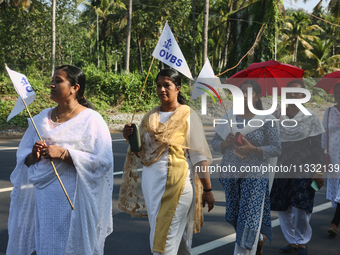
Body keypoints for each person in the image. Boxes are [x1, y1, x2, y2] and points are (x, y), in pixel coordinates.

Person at [6, 65, 114, 255]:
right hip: (45, 198)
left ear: (75, 88)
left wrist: (64, 154)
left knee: (72, 246)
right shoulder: (40, 119)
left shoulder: (92, 120)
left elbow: (102, 161)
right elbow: (25, 159)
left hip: (74, 199)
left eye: (58, 81)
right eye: (52, 80)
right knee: (47, 243)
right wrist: (34, 154)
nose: (52, 85)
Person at [119, 68, 215, 255]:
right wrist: (129, 136)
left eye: (167, 85)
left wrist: (208, 190)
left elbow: (198, 157)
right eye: (158, 86)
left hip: (177, 185)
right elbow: (142, 153)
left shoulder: (188, 115)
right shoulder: (150, 117)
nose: (162, 89)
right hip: (151, 184)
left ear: (178, 88)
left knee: (162, 243)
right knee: (168, 238)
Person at [212, 80, 281, 255]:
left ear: (257, 97)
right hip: (231, 173)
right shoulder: (228, 117)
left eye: (249, 93)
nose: (243, 96)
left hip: (255, 173)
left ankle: (244, 250)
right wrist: (225, 143)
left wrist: (254, 149)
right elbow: (214, 143)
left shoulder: (267, 120)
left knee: (249, 216)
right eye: (241, 92)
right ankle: (256, 240)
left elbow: (276, 148)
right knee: (235, 215)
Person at [270, 80, 324, 255]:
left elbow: (317, 147)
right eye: (289, 93)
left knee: (300, 204)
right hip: (280, 166)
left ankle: (302, 242)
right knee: (283, 206)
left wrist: (318, 170)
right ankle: (292, 241)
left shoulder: (311, 118)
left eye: (297, 93)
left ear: (303, 96)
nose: (292, 96)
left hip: (304, 166)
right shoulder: (275, 116)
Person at [322, 82, 340, 237]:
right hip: (334, 156)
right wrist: (322, 153)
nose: (338, 95)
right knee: (337, 192)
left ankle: (334, 223)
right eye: (337, 92)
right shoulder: (328, 112)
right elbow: (324, 133)